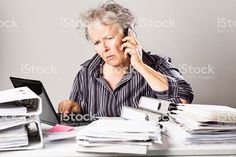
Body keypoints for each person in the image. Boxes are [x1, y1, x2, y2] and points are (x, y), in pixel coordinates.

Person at [58, 1, 194, 117]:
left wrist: (140, 66)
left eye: (109, 38)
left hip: (145, 147)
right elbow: (75, 128)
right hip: (101, 148)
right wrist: (74, 114)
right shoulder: (86, 74)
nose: (104, 48)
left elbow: (182, 102)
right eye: (97, 43)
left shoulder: (157, 64)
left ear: (129, 35)